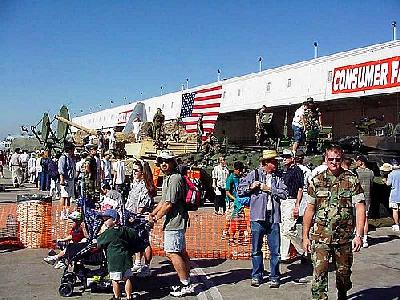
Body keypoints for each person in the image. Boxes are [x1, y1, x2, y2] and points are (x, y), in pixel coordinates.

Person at [302, 145, 366, 300]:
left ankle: (342, 293)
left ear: (341, 159)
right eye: (331, 159)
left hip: (343, 238)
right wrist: (305, 236)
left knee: (343, 274)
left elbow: (360, 207)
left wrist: (359, 235)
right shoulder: (316, 181)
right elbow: (309, 210)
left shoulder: (351, 179)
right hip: (320, 237)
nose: (334, 162)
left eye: (337, 159)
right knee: (319, 274)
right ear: (325, 159)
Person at [238, 150, 288, 288]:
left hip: (273, 217)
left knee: (275, 251)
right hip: (257, 217)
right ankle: (257, 275)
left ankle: (274, 276)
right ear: (266, 162)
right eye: (273, 161)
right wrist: (250, 187)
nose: (276, 163)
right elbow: (240, 191)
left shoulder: (279, 177)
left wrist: (270, 189)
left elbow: (285, 193)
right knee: (256, 249)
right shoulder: (254, 174)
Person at [149, 151, 193, 297]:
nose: (163, 164)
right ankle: (187, 281)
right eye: (161, 161)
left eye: (166, 161)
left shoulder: (174, 179)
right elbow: (163, 201)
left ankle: (185, 283)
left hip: (175, 221)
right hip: (174, 221)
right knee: (180, 252)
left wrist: (157, 217)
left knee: (172, 252)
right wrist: (154, 213)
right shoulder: (168, 178)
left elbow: (169, 204)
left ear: (173, 162)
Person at [125, 161, 156, 278]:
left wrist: (135, 216)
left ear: (142, 173)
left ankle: (146, 267)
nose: (133, 173)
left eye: (136, 170)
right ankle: (138, 262)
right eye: (133, 170)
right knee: (137, 241)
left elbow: (142, 205)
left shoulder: (145, 186)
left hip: (140, 218)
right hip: (132, 216)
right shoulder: (135, 183)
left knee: (144, 242)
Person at [97, 209, 135, 300]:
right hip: (126, 258)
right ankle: (129, 296)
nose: (104, 222)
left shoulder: (109, 233)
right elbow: (133, 235)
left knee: (115, 280)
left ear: (114, 220)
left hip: (114, 260)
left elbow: (99, 242)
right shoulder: (125, 230)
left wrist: (102, 232)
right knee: (127, 278)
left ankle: (117, 297)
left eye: (106, 220)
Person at [280, 149, 304, 261]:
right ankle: (284, 255)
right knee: (283, 229)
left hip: (292, 200)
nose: (284, 159)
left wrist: (297, 205)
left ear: (292, 158)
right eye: (283, 157)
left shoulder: (297, 170)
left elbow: (300, 188)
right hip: (283, 201)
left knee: (289, 229)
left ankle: (303, 250)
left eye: (287, 156)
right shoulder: (285, 171)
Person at [223, 161, 246, 242]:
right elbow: (227, 192)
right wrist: (234, 199)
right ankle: (226, 232)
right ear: (235, 170)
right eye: (239, 170)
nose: (240, 172)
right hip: (231, 202)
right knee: (230, 218)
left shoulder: (241, 177)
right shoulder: (230, 178)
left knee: (240, 218)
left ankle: (240, 236)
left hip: (239, 201)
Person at [355, 155, 374, 247]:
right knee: (365, 219)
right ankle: (365, 238)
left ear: (361, 162)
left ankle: (358, 236)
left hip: (357, 198)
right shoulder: (371, 172)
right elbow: (372, 184)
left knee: (357, 218)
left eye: (357, 161)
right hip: (367, 197)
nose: (356, 163)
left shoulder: (356, 172)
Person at [58, 143, 76, 219]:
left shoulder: (71, 158)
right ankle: (62, 212)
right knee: (64, 196)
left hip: (71, 179)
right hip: (65, 179)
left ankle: (67, 212)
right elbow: (61, 170)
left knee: (69, 197)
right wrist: (62, 180)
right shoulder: (63, 158)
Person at [384, 162, 400, 232]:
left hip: (394, 194)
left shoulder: (391, 174)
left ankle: (397, 224)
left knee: (395, 210)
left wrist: (385, 181)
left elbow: (388, 184)